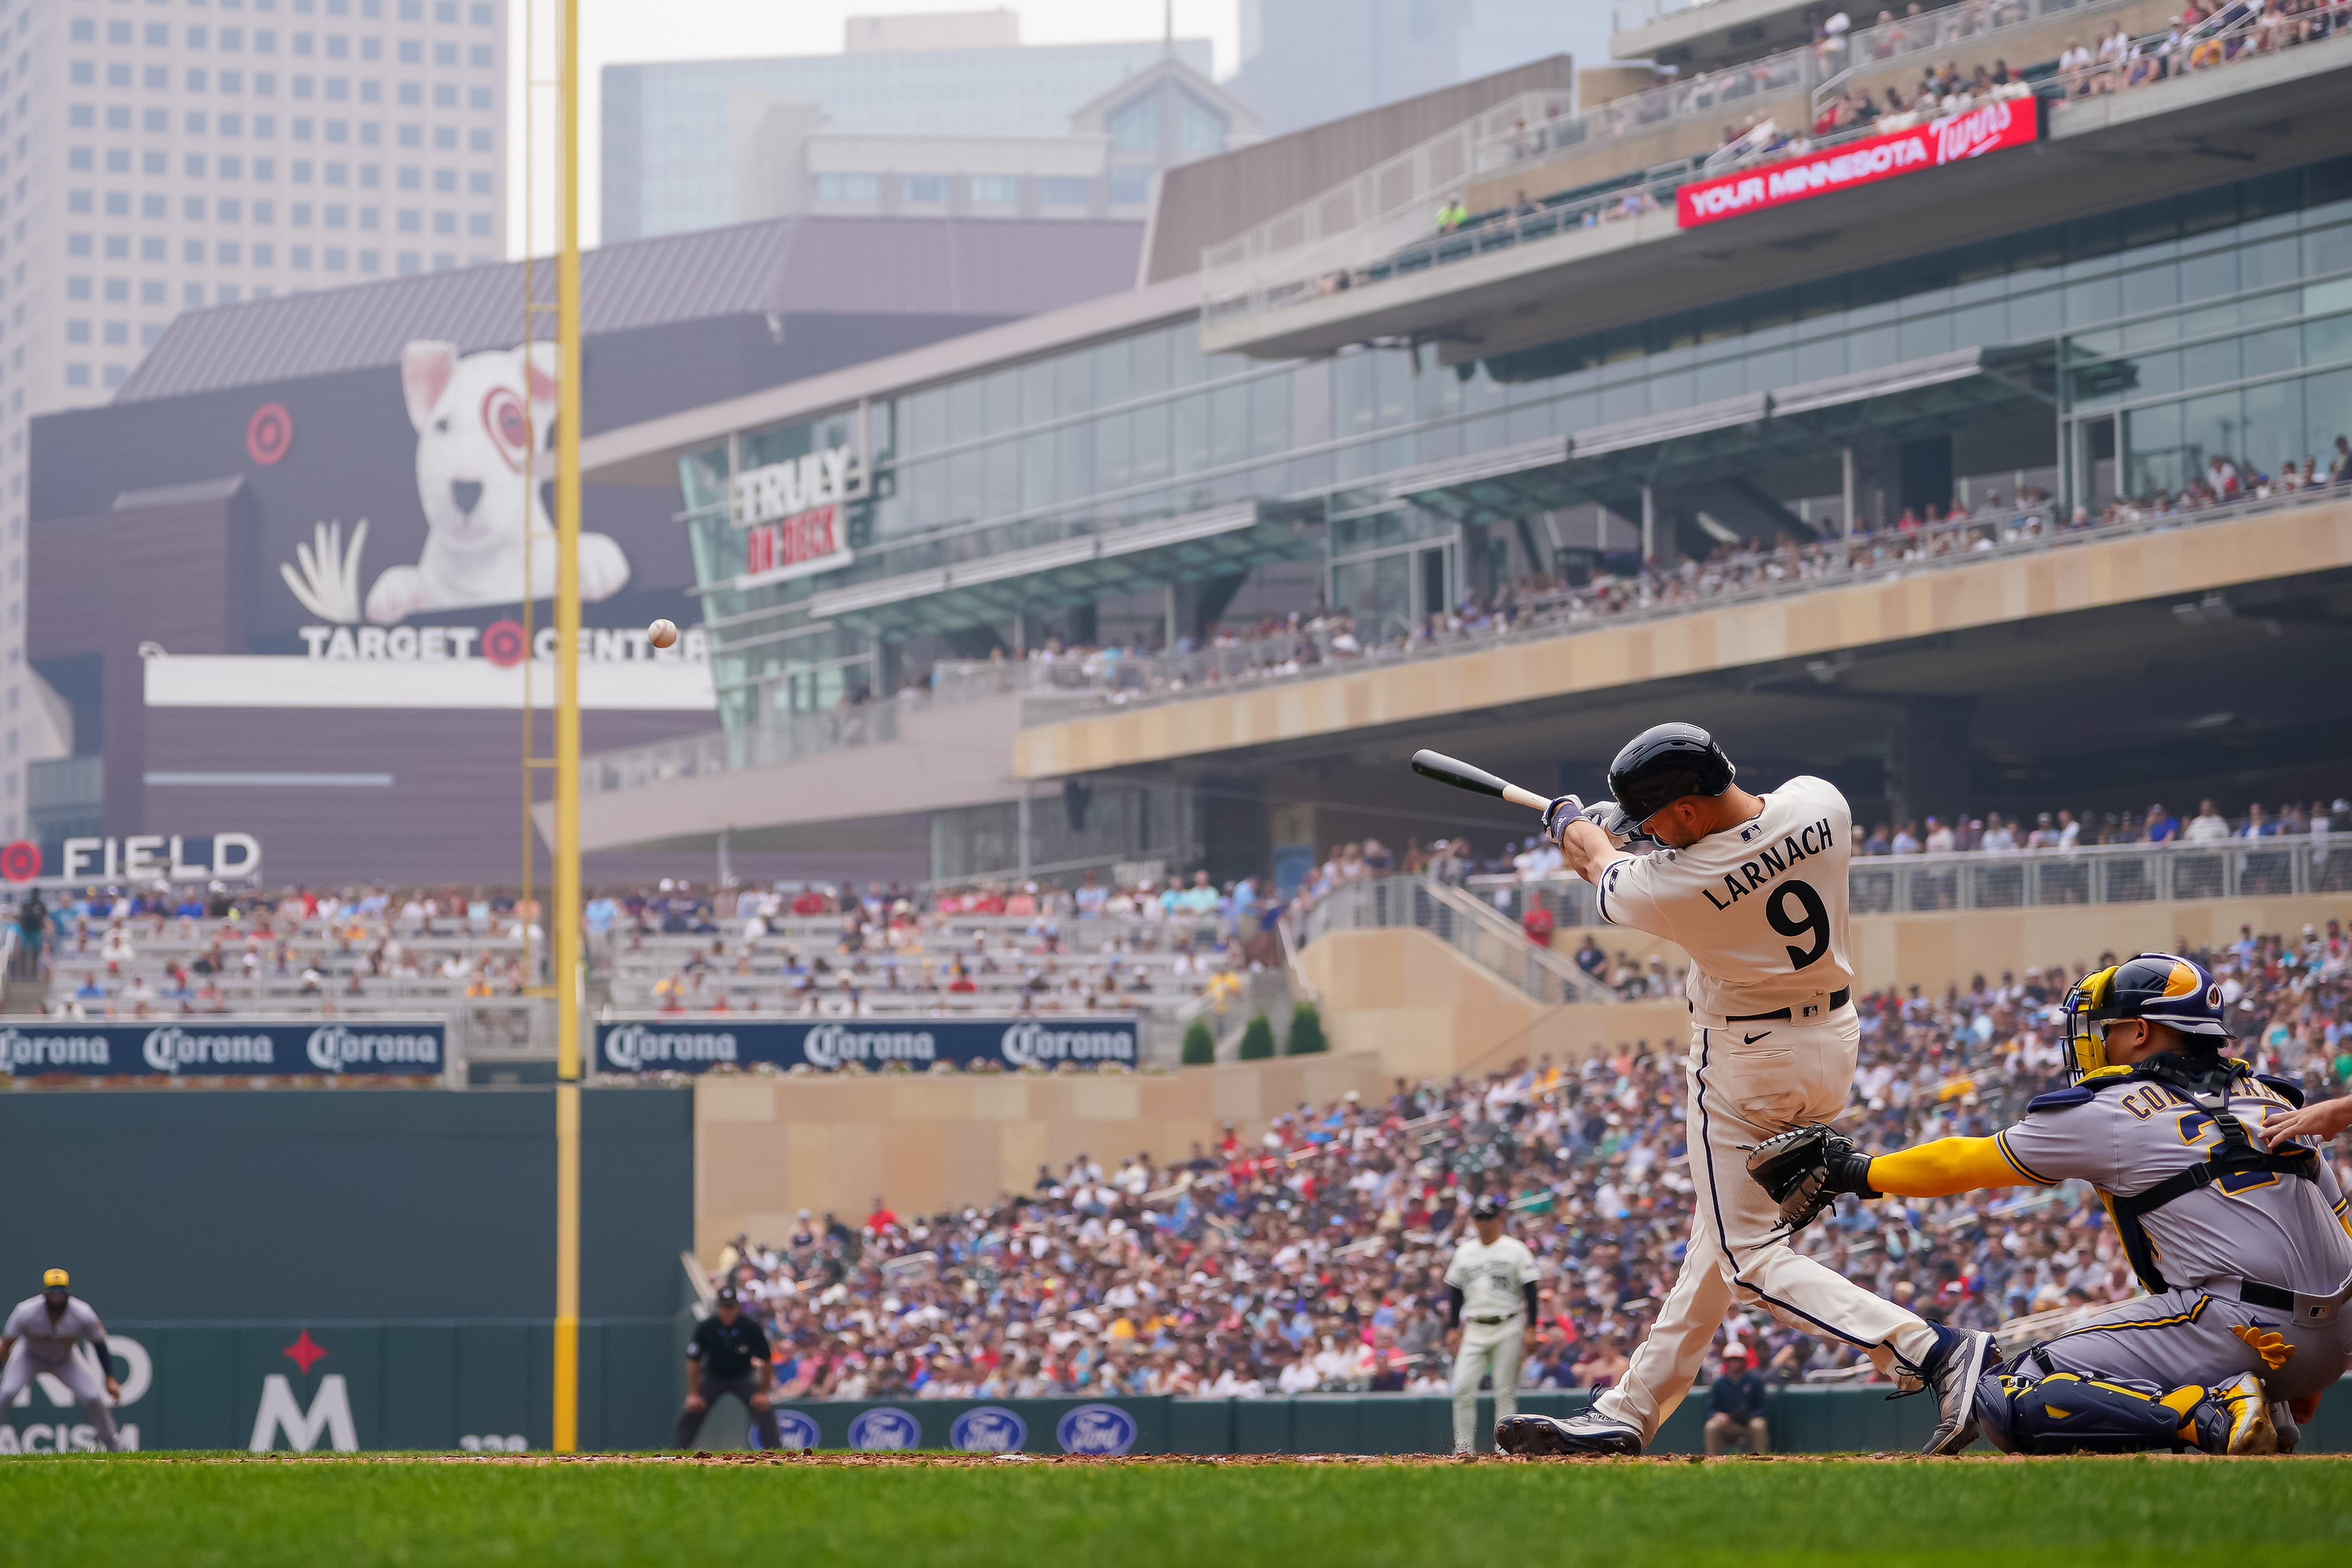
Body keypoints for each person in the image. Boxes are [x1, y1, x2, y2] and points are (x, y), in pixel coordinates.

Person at [1495, 721, 1987, 1460]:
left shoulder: (1680, 883)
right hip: (1829, 1044)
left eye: (1657, 820)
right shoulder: (1821, 803)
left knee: (1746, 1262)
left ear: (1688, 811)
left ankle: (1931, 1349)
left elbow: (1601, 870)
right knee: (1719, 1242)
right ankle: (1629, 1411)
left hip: (1744, 1058)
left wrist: (1574, 822)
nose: (1652, 834)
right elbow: (1693, 846)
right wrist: (1621, 835)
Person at [1757, 954, 2352, 1454]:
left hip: (2236, 1326)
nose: (2095, 1039)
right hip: (2331, 1339)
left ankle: (2213, 1413)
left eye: (2107, 1026)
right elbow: (2341, 1225)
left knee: (2007, 1388)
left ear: (2141, 1031)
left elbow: (1965, 1162)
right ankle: (2250, 1406)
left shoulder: (2115, 1107)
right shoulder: (2275, 1099)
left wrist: (1856, 1171)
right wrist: (2312, 1358)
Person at [1444, 1193, 1539, 1454]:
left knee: (1504, 1390)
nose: (1484, 1223)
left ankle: (1505, 1450)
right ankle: (1463, 1449)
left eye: (1488, 1217)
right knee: (1462, 1388)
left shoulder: (1516, 1249)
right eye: (1479, 1218)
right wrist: (1453, 1327)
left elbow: (1531, 1289)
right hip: (1474, 1326)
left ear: (1500, 1219)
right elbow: (1455, 1292)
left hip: (1508, 1323)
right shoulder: (1465, 1252)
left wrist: (1532, 1327)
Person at [0, 1269, 122, 1452]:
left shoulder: (82, 1312)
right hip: (29, 1356)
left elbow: (99, 1343)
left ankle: (114, 1446)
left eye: (61, 1291)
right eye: (53, 1291)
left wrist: (109, 1377)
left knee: (93, 1397)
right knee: (5, 1394)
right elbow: (7, 1344)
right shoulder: (25, 1311)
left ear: (68, 1292)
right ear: (45, 1292)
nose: (57, 1296)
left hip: (65, 1359)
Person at [672, 1287, 783, 1450]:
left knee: (764, 1409)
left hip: (743, 1376)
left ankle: (777, 1452)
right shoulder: (706, 1327)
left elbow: (766, 1360)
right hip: (714, 1376)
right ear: (718, 1308)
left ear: (737, 1307)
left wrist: (763, 1392)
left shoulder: (750, 1327)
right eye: (724, 1307)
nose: (727, 1312)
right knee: (693, 1409)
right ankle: (677, 1453)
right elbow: (693, 1360)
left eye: (731, 1307)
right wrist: (693, 1394)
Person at [1703, 1350, 1770, 1455]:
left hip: (1749, 1423)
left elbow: (1763, 1406)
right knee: (1711, 1426)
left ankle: (1760, 1460)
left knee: (1759, 1425)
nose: (1734, 1363)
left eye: (1737, 1360)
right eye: (1730, 1360)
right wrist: (1718, 1415)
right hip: (1729, 1424)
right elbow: (1711, 1408)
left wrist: (1753, 1416)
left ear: (1744, 1361)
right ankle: (1713, 1461)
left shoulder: (1754, 1381)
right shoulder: (1719, 1384)